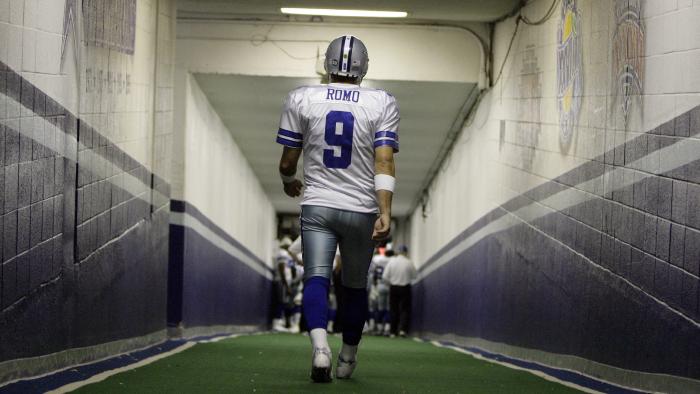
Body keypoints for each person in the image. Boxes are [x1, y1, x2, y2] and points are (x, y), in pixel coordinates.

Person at [276, 34, 400, 382]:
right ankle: (348, 356)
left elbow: (288, 162)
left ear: (326, 64)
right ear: (364, 68)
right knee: (355, 285)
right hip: (361, 208)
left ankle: (319, 349)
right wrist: (385, 210)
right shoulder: (382, 102)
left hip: (318, 204)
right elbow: (385, 161)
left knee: (317, 277)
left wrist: (288, 182)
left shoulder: (301, 98)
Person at [382, 245, 416, 337]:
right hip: (405, 287)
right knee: (405, 309)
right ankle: (403, 330)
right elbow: (414, 276)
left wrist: (390, 283)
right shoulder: (409, 262)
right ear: (406, 252)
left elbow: (384, 277)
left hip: (394, 287)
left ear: (397, 252)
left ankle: (393, 331)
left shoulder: (392, 262)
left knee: (394, 309)